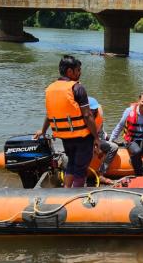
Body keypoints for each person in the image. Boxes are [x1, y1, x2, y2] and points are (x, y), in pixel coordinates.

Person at [34, 55, 100, 188]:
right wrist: (96, 137)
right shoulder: (77, 88)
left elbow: (49, 115)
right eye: (78, 70)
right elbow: (87, 115)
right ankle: (75, 198)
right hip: (82, 137)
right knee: (81, 168)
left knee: (71, 164)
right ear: (70, 71)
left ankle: (65, 191)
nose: (80, 73)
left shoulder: (50, 89)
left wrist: (42, 130)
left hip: (65, 137)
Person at [109, 92, 143, 176]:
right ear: (138, 101)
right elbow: (120, 126)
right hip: (131, 140)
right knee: (137, 151)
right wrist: (111, 140)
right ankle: (139, 173)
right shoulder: (129, 111)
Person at [88, 97, 118, 185]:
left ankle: (101, 174)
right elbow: (87, 137)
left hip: (97, 140)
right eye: (92, 109)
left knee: (114, 147)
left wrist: (108, 138)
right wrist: (97, 148)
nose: (95, 111)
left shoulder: (98, 116)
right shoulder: (82, 119)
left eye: (96, 109)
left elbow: (100, 131)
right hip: (86, 142)